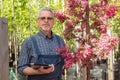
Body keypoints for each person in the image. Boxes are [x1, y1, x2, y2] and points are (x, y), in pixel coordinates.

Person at [17, 7, 65, 80]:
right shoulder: (29, 42)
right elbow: (21, 68)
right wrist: (38, 72)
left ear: (53, 22)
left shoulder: (60, 40)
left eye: (49, 18)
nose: (46, 21)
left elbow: (65, 62)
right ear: (37, 22)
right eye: (43, 18)